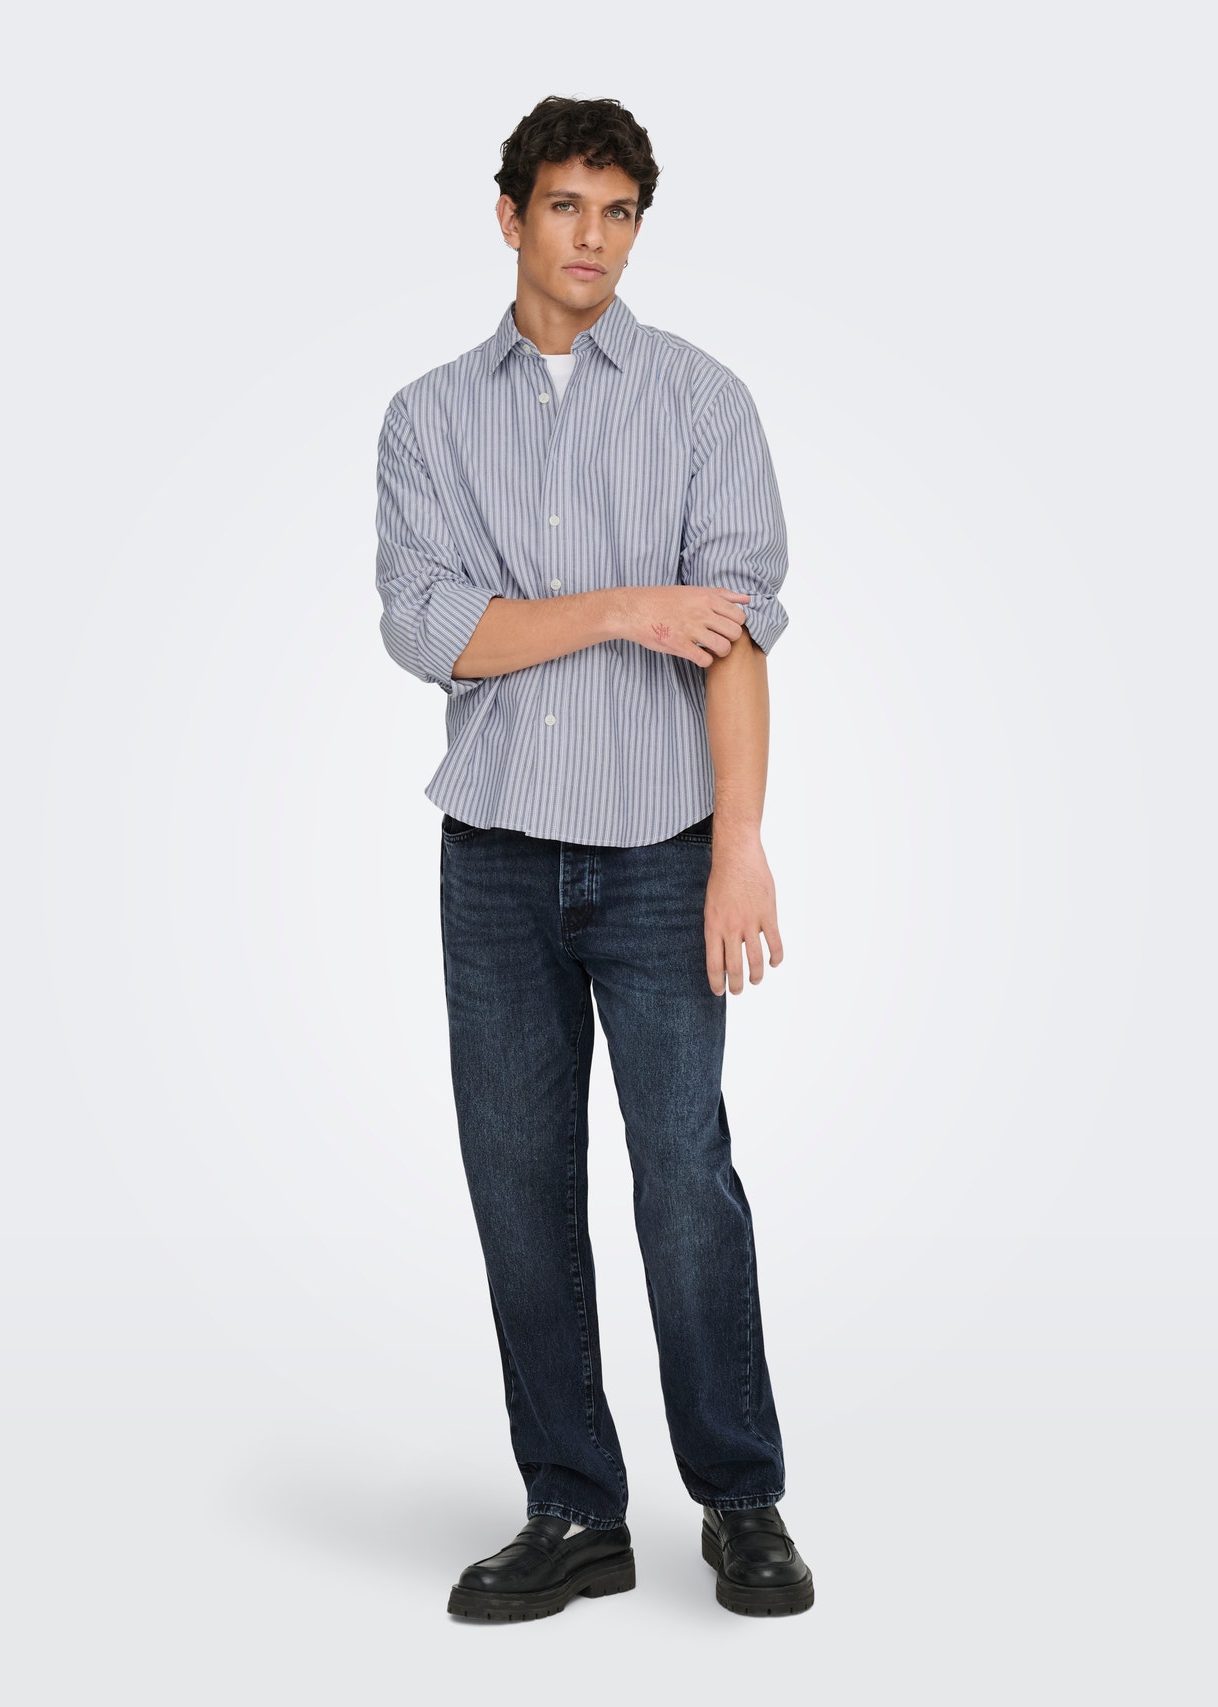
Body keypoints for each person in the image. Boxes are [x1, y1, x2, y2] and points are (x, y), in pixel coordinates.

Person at [373, 94, 813, 1621]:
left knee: (686, 1178)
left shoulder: (702, 403)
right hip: (495, 865)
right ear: (511, 216)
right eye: (567, 206)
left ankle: (740, 1501)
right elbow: (436, 631)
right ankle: (573, 1510)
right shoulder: (430, 420)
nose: (594, 239)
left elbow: (736, 635)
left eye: (619, 212)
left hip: (661, 854)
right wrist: (630, 605)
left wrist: (740, 844)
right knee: (520, 1188)